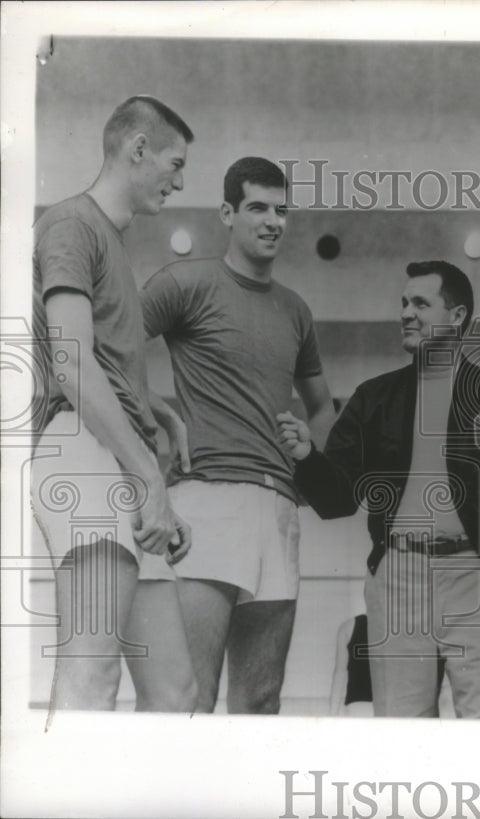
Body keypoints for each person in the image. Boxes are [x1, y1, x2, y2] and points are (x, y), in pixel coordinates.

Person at [278, 261, 480, 718]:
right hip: (398, 579)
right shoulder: (374, 398)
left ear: (457, 316)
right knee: (401, 740)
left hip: (479, 577)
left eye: (421, 303)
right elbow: (337, 500)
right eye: (403, 303)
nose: (406, 313)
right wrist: (308, 458)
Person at [141, 157, 336, 714]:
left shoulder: (296, 310)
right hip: (206, 500)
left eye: (282, 210)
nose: (273, 221)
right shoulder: (185, 282)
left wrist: (308, 458)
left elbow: (322, 405)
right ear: (227, 213)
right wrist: (165, 416)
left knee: (260, 702)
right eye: (258, 208)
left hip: (277, 508)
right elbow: (108, 350)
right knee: (188, 697)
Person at [31, 96, 197, 711]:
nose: (179, 181)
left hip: (115, 457)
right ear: (137, 150)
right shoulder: (72, 223)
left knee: (176, 689)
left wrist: (157, 409)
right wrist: (147, 473)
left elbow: (95, 359)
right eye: (174, 164)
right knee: (92, 672)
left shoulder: (110, 243)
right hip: (85, 452)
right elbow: (70, 361)